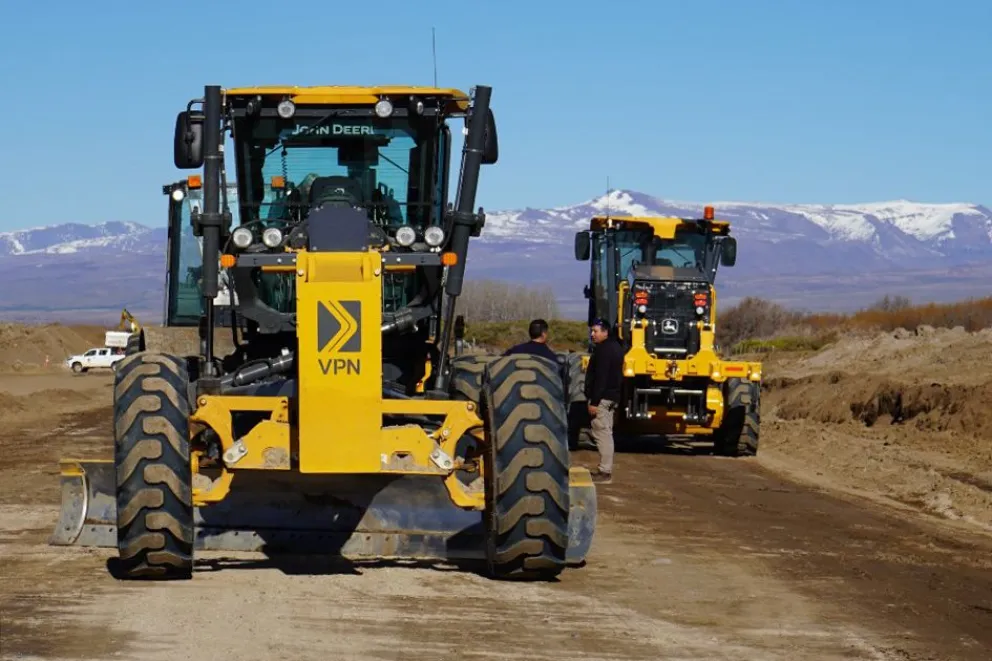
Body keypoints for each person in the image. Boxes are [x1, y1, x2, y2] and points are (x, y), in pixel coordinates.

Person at [584, 318, 624, 483]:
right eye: (592, 331)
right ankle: (605, 469)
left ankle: (605, 471)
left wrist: (594, 402)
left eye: (596, 331)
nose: (593, 334)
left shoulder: (603, 350)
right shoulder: (616, 347)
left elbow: (601, 377)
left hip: (603, 398)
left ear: (605, 331)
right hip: (612, 396)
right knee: (607, 432)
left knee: (602, 433)